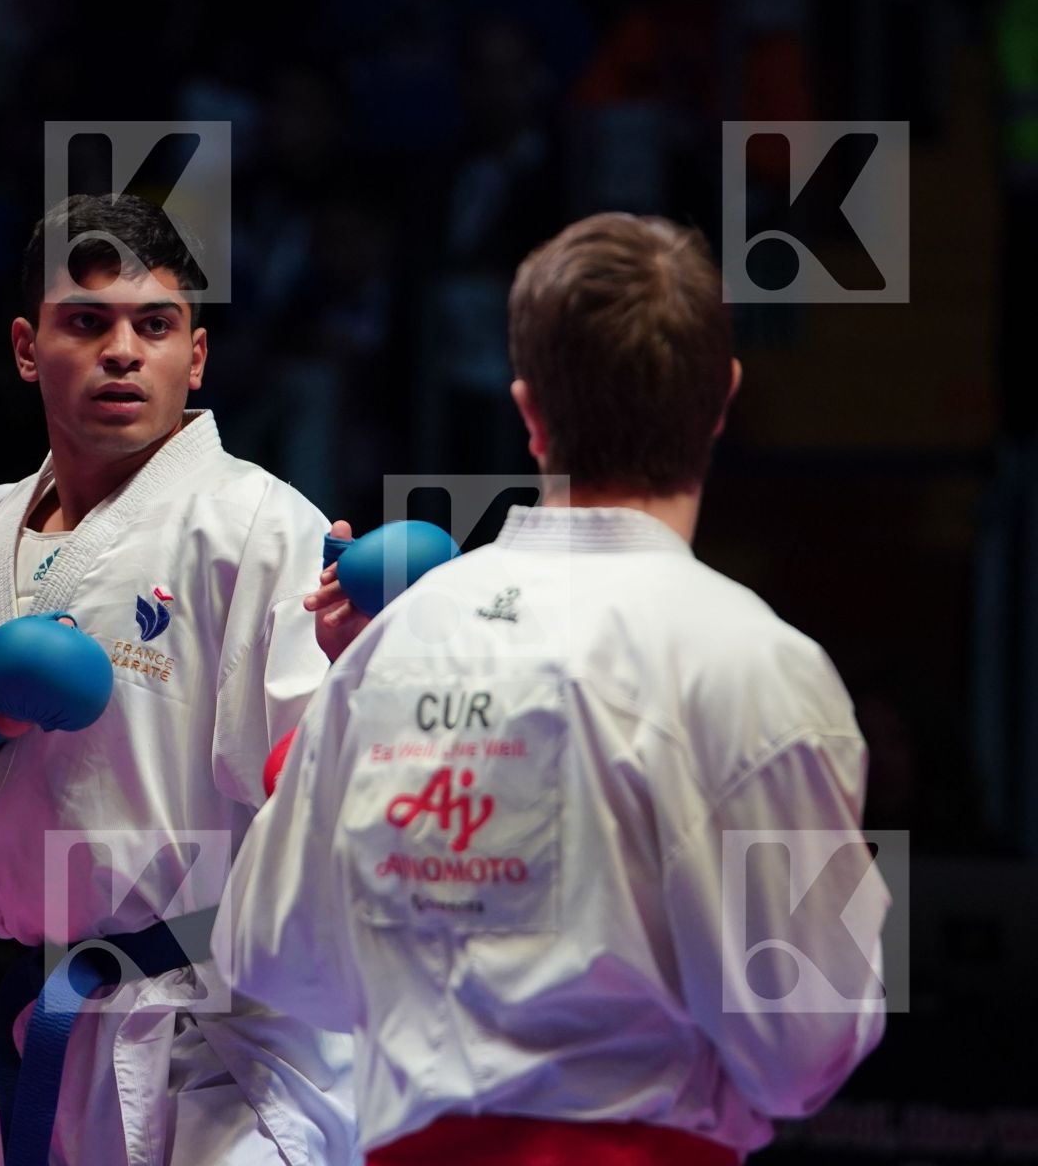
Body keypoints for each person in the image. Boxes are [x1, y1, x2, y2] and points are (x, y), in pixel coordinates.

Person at [216, 213, 888, 1165]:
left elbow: (275, 960)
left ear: (528, 410)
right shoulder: (757, 664)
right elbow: (802, 1055)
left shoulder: (399, 642)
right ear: (721, 401)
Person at [0, 193, 359, 1165]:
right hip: (55, 1037)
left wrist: (350, 674)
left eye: (155, 325)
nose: (124, 351)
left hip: (231, 1053)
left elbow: (322, 822)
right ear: (29, 348)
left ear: (194, 356)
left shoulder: (258, 525)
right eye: (89, 322)